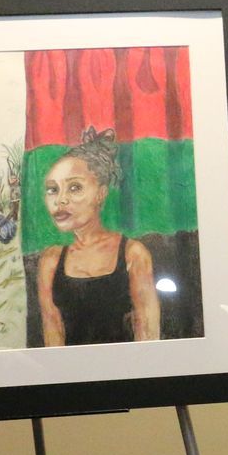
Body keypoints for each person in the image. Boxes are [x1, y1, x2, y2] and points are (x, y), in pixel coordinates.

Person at [34, 128, 159, 345]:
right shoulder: (50, 262)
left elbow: (148, 335)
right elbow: (53, 336)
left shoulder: (133, 254)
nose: (60, 200)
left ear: (101, 193)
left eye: (74, 187)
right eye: (52, 190)